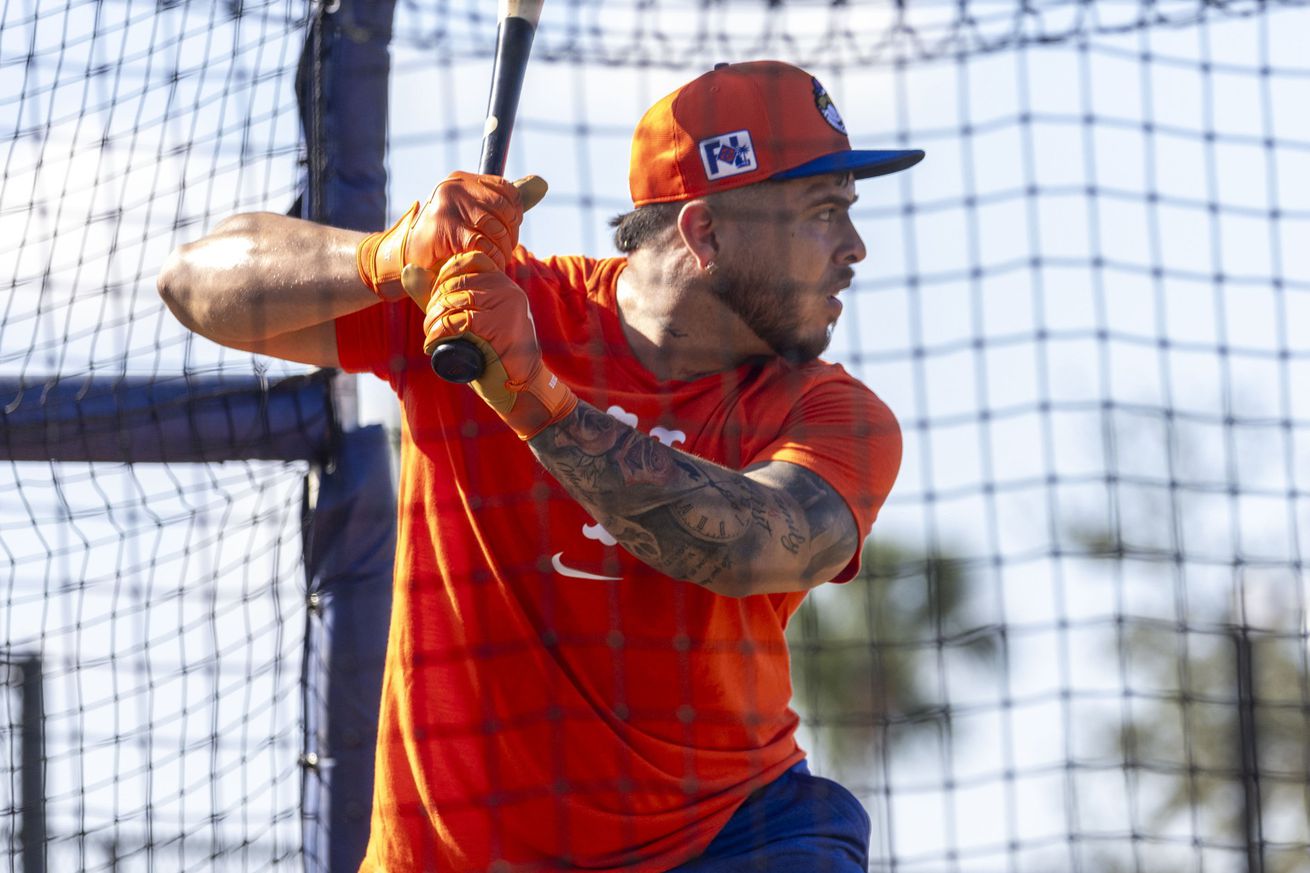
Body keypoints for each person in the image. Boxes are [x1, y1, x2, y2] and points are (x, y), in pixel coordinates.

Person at [158, 60, 922, 872]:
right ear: (704, 233)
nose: (855, 248)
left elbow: (751, 545)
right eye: (824, 213)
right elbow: (192, 281)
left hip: (719, 841)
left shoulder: (834, 413)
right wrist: (392, 253)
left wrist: (536, 401)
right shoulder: (485, 304)